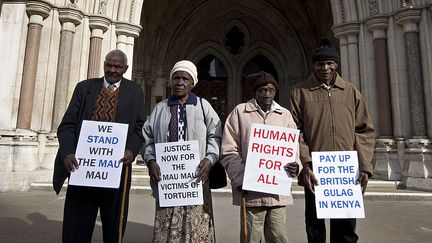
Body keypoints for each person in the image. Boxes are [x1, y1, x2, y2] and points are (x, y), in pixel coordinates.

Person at [52, 50, 146, 243]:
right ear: (103, 65)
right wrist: (68, 153)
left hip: (116, 170)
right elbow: (67, 125)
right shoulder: (84, 88)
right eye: (109, 65)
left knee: (113, 227)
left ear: (125, 69)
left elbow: (140, 127)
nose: (112, 70)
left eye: (117, 66)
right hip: (83, 169)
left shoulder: (135, 91)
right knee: (76, 226)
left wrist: (132, 150)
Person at [288, 39, 375, 243]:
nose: (325, 68)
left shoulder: (351, 92)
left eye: (330, 63)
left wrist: (365, 167)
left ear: (336, 64)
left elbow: (364, 130)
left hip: (345, 172)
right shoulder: (300, 92)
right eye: (320, 64)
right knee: (315, 225)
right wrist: (306, 164)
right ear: (314, 66)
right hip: (316, 171)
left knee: (345, 228)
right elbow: (295, 132)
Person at [142, 60, 222, 242]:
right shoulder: (160, 109)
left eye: (185, 79)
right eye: (176, 78)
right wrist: (151, 161)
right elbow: (148, 139)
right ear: (171, 81)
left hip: (197, 178)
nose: (180, 82)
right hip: (168, 180)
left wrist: (209, 159)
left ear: (192, 83)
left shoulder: (203, 106)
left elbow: (215, 136)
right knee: (167, 222)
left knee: (197, 222)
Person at [220, 71, 301, 243]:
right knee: (251, 237)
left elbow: (293, 147)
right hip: (251, 192)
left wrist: (296, 165)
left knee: (278, 236)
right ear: (255, 92)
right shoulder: (240, 112)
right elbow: (229, 150)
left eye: (271, 90)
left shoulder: (284, 115)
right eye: (262, 90)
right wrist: (240, 177)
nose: (267, 94)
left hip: (277, 193)